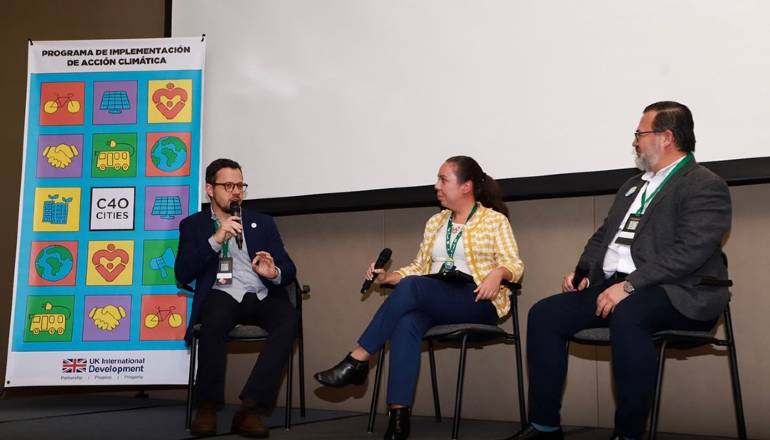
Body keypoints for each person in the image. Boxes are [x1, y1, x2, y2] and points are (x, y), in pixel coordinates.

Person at [513, 102, 731, 440]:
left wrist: (630, 285)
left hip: (678, 291)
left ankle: (628, 434)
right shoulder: (633, 186)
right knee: (545, 314)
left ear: (666, 137)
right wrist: (584, 271)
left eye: (640, 134)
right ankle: (544, 427)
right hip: (619, 286)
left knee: (629, 314)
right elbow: (603, 236)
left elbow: (691, 251)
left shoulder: (703, 184)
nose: (635, 141)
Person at [314, 156, 524, 440]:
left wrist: (498, 273)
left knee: (412, 289)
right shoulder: (436, 222)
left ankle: (358, 360)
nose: (436, 185)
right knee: (406, 322)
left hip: (477, 300)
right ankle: (399, 419)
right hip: (437, 294)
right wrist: (387, 278)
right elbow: (419, 267)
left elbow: (515, 264)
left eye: (443, 179)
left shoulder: (493, 220)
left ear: (466, 186)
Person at [175, 158, 298, 438]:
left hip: (260, 292)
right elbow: (182, 271)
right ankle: (207, 407)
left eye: (240, 185)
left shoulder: (262, 223)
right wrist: (215, 239)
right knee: (214, 320)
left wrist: (273, 271)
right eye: (228, 185)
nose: (236, 191)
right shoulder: (192, 226)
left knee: (289, 320)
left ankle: (250, 408)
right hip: (222, 292)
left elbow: (289, 268)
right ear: (210, 189)